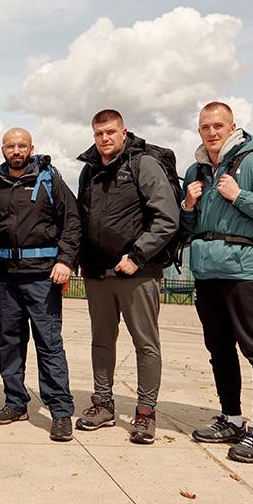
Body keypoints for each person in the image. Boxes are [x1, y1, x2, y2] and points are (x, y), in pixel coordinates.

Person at [181, 102, 253, 463]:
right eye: (205, 127)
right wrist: (187, 205)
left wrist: (240, 196)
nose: (212, 132)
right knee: (219, 351)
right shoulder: (196, 170)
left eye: (218, 125)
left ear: (233, 126)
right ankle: (232, 418)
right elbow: (189, 230)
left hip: (248, 272)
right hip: (207, 273)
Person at [0, 127, 81, 442]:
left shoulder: (50, 180)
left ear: (31, 148)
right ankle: (15, 402)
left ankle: (60, 411)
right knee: (10, 342)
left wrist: (65, 261)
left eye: (22, 145)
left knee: (49, 344)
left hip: (43, 275)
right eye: (11, 146)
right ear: (2, 149)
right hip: (6, 277)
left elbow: (72, 222)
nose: (16, 150)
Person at [75, 109, 178, 444]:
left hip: (138, 272)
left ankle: (145, 413)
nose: (104, 139)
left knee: (145, 344)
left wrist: (136, 256)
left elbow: (167, 217)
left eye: (110, 132)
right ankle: (103, 404)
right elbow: (83, 218)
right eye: (98, 133)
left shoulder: (142, 164)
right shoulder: (89, 171)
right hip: (97, 273)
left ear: (123, 132)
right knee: (101, 342)